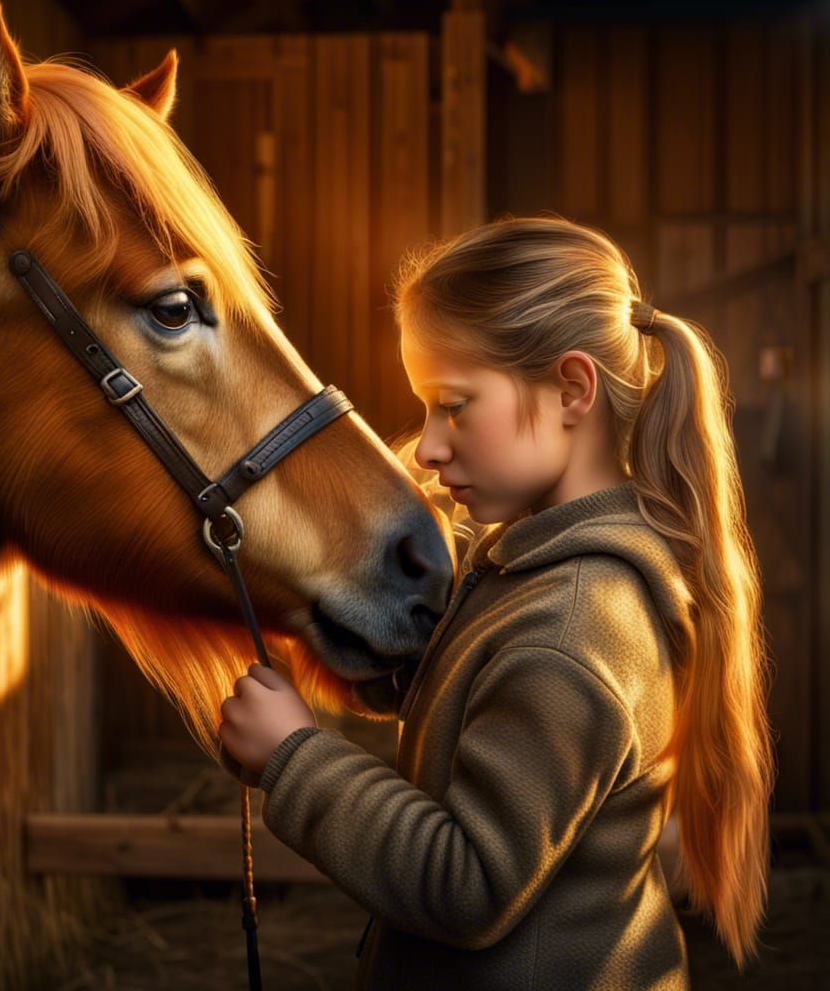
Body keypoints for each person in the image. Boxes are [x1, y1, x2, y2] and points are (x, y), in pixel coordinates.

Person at [218, 215, 773, 990]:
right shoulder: (529, 569)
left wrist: (295, 759)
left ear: (572, 389)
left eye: (453, 405)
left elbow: (466, 883)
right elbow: (463, 692)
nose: (432, 445)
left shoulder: (573, 628)